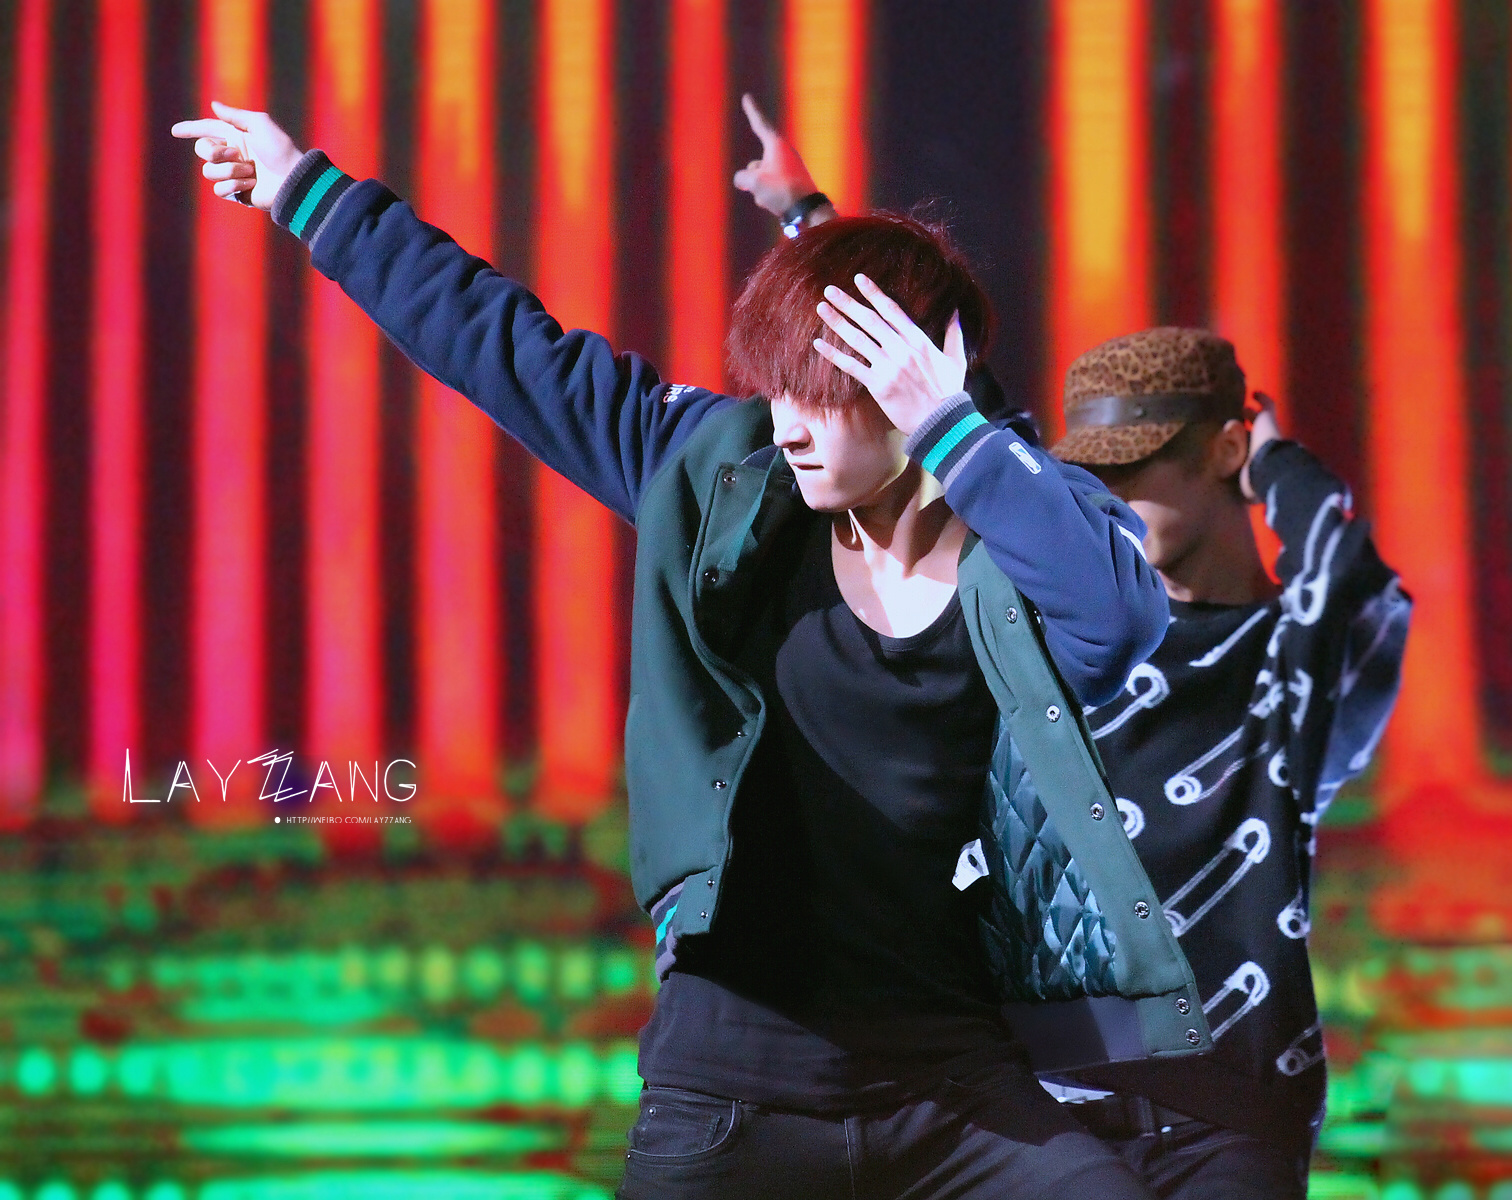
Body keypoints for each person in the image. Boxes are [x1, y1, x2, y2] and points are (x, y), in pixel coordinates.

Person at [172, 101, 1210, 1200]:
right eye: (777, 392)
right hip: (735, 1084)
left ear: (918, 391)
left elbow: (1122, 618)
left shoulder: (1013, 533)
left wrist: (950, 423)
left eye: (824, 395)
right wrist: (307, 194)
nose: (789, 425)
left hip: (953, 1085)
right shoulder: (718, 476)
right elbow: (502, 345)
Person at [733, 97, 1410, 1198]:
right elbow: (951, 403)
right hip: (1043, 1100)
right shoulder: (1039, 624)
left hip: (1235, 1103)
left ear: (1226, 453)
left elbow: (1366, 594)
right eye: (1098, 467)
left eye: (1146, 461)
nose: (1114, 489)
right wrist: (809, 219)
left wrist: (1279, 467)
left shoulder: (1284, 668)